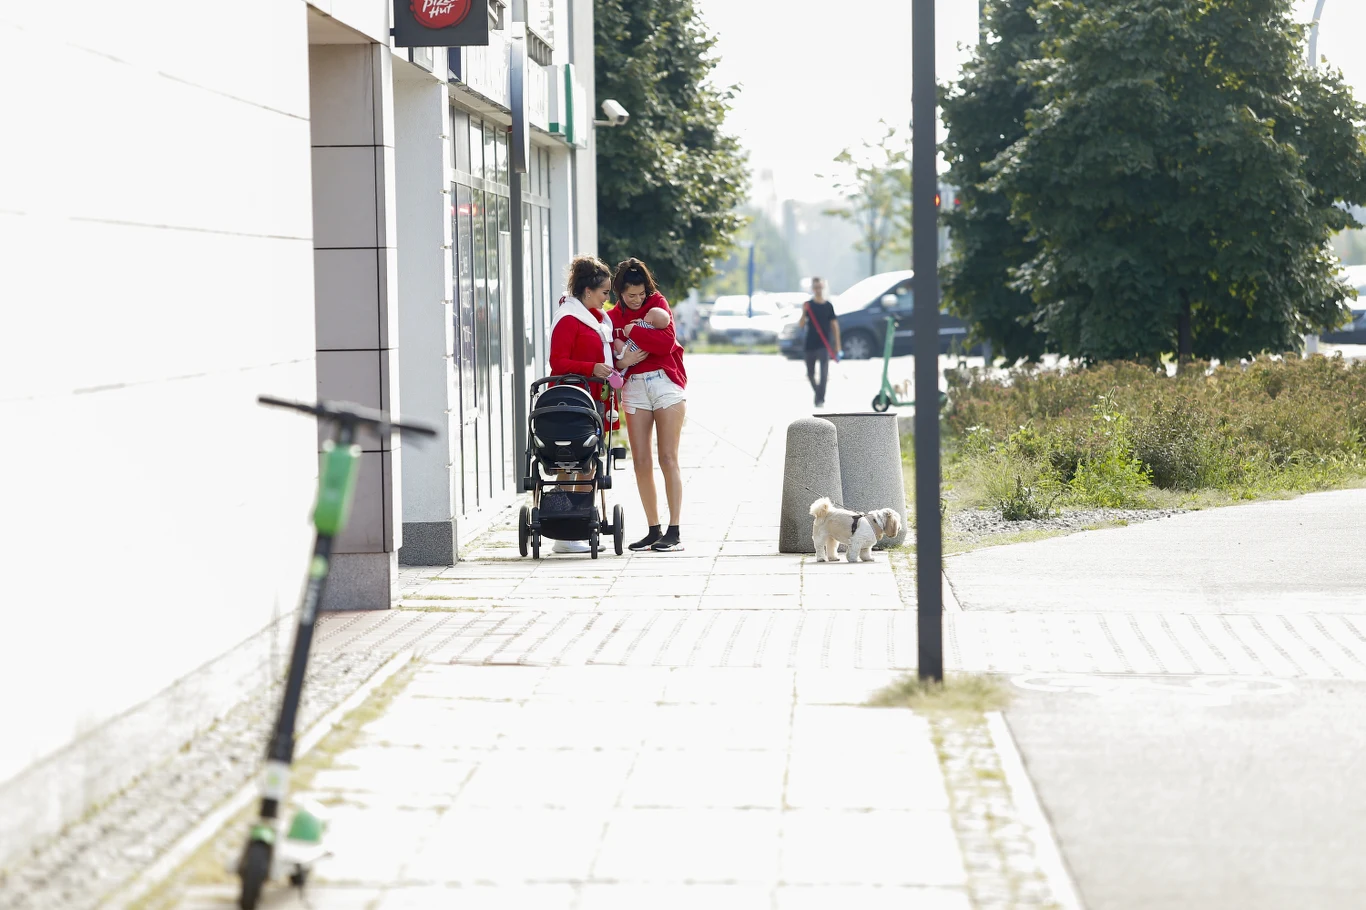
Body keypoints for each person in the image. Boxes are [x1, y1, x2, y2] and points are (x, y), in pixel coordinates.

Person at [608, 257, 688, 552]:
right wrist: (624, 359)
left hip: (665, 383)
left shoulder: (658, 304)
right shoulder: (612, 315)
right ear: (620, 292)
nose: (638, 299)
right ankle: (653, 529)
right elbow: (613, 356)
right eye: (631, 295)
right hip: (634, 389)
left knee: (668, 458)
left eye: (641, 293)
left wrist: (632, 332)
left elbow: (665, 343)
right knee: (641, 461)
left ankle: (674, 530)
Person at [546, 255, 616, 554]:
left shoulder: (595, 320)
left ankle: (578, 526)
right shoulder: (569, 319)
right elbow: (557, 362)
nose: (607, 298)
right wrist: (593, 368)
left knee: (587, 462)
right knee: (570, 461)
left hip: (591, 397)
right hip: (570, 400)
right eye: (604, 293)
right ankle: (564, 530)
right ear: (588, 291)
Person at [795, 276, 840, 407]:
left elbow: (835, 325)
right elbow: (801, 324)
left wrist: (837, 345)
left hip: (824, 344)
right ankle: (818, 394)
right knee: (810, 373)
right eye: (816, 287)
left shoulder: (828, 306)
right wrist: (804, 312)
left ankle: (820, 399)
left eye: (820, 287)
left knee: (824, 373)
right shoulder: (808, 305)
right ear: (812, 289)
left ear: (823, 287)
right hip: (810, 343)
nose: (818, 290)